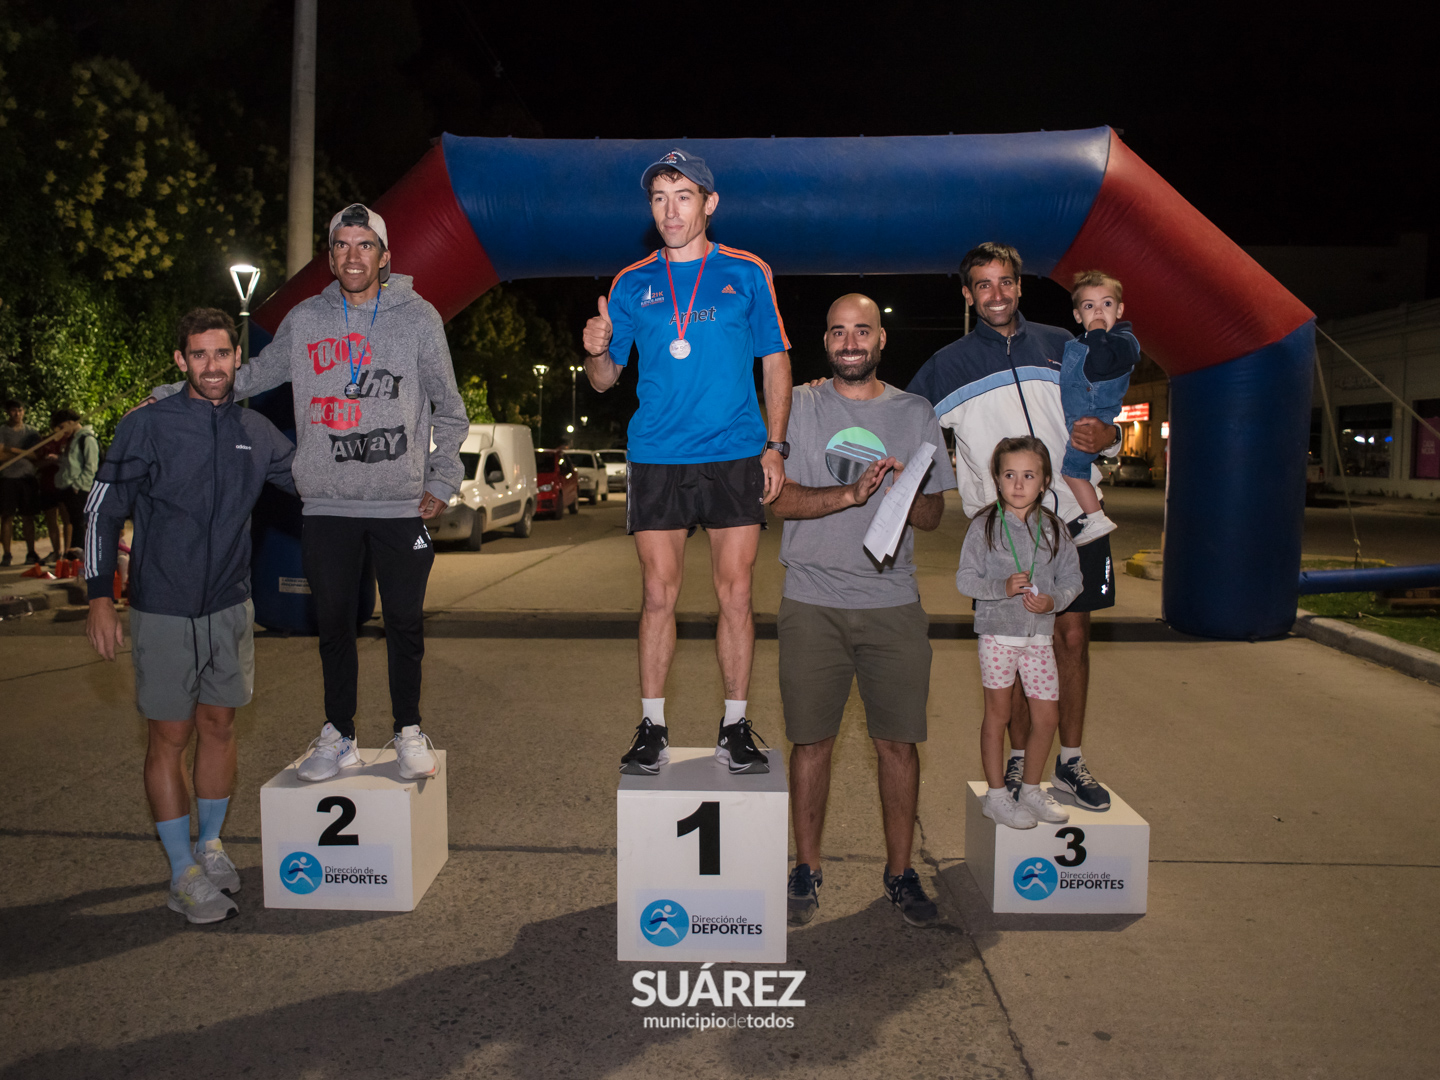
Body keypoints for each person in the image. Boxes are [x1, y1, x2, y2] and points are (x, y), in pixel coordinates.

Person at [147, 203, 467, 782]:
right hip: (325, 504)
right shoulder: (306, 319)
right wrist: (176, 391)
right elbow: (251, 376)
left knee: (404, 624)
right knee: (334, 627)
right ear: (330, 256)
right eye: (342, 245)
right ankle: (339, 734)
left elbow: (450, 408)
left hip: (399, 505)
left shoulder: (418, 317)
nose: (353, 255)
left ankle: (409, 730)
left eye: (364, 245)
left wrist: (443, 478)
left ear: (384, 256)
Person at [582, 149, 792, 776]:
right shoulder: (631, 283)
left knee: (736, 593)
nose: (670, 210)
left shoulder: (747, 272)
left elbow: (775, 359)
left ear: (709, 203)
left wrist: (776, 446)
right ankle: (652, 726)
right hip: (658, 455)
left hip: (735, 452)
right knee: (657, 594)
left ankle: (735, 727)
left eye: (683, 196)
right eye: (659, 198)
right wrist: (595, 349)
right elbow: (604, 380)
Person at [85, 308, 298, 923]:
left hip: (230, 606)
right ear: (181, 360)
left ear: (237, 358)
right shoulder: (147, 425)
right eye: (198, 354)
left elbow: (315, 482)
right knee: (170, 737)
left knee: (220, 726)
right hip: (164, 608)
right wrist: (99, 597)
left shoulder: (256, 431)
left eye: (221, 353)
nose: (211, 365)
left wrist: (396, 486)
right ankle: (181, 872)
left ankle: (209, 846)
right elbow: (102, 511)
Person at [907, 242, 1120, 811]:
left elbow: (1102, 414)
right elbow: (900, 419)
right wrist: (832, 399)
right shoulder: (947, 364)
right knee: (1022, 643)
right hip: (1001, 531)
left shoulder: (1062, 345)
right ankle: (1023, 762)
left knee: (1071, 639)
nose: (996, 294)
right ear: (968, 294)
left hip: (1072, 517)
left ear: (1020, 286)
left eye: (1006, 282)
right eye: (983, 284)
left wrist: (1112, 438)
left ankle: (1070, 761)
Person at [773, 294, 955, 928]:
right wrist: (850, 494)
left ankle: (900, 873)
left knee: (898, 745)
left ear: (881, 339)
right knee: (810, 743)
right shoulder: (797, 406)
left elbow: (933, 516)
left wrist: (903, 492)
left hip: (892, 603)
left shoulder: (915, 412)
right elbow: (778, 500)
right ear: (825, 341)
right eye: (838, 332)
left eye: (862, 331)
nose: (850, 342)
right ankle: (807, 867)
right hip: (810, 601)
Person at [957, 436, 1082, 829]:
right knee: (998, 715)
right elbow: (965, 579)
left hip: (1039, 638)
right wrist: (1002, 588)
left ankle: (1030, 790)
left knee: (1047, 717)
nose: (1018, 483)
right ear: (996, 479)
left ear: (1044, 482)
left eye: (1029, 475)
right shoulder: (984, 526)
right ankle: (996, 797)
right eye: (1009, 474)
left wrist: (1053, 601)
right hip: (997, 636)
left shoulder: (1055, 528)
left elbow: (1073, 578)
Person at [1059, 272, 1140, 546]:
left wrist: (1096, 332)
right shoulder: (1080, 343)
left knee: (1072, 470)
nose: (1098, 312)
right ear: (1077, 315)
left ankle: (1096, 517)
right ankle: (1093, 515)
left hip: (1091, 421)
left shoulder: (1124, 341)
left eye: (1106, 304)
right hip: (1078, 417)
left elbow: (1103, 364)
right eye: (1089, 306)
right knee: (1075, 469)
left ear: (1120, 309)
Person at [51, 408, 98, 560]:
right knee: (75, 521)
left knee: (79, 522)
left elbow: (91, 466)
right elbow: (73, 463)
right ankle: (77, 556)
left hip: (80, 488)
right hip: (70, 487)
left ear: (71, 422)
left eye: (62, 427)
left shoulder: (87, 439)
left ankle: (79, 556)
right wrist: (58, 459)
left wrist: (78, 485)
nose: (61, 431)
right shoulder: (73, 440)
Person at [0, 398, 42, 565]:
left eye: (20, 410)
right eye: (13, 410)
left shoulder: (31, 432)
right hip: (8, 478)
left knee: (28, 517)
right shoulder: (2, 431)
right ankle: (7, 554)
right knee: (6, 517)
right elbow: (0, 456)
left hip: (27, 478)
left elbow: (36, 455)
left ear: (24, 412)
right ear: (8, 412)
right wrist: (24, 452)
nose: (17, 414)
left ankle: (31, 552)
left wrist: (11, 449)